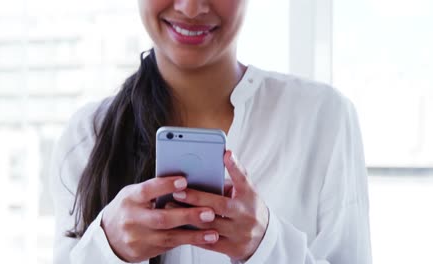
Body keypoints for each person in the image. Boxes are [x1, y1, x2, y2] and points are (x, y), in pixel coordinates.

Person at [49, 0, 372, 263]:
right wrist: (108, 249)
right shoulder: (87, 135)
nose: (190, 8)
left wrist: (266, 245)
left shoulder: (323, 117)